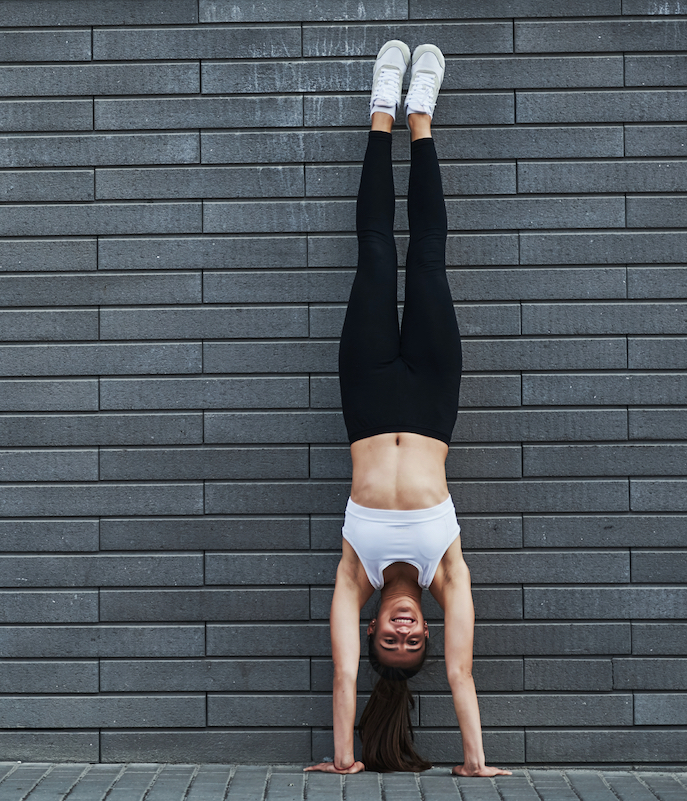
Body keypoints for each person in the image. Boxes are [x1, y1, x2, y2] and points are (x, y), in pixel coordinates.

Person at [304, 42, 510, 777]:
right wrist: (475, 762)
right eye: (410, 640)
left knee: (373, 255)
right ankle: (420, 114)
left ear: (373, 629)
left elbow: (341, 676)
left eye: (387, 641)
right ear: (426, 626)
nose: (398, 633)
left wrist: (342, 757)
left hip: (363, 396)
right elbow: (461, 674)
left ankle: (379, 113)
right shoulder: (445, 571)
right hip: (431, 392)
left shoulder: (353, 573)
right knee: (426, 256)